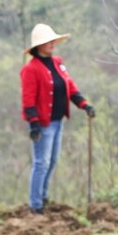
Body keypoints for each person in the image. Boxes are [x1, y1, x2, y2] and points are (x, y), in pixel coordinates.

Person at [19, 23, 96, 215]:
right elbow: (28, 99)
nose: (52, 43)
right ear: (39, 45)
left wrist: (84, 104)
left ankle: (43, 196)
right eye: (48, 41)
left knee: (52, 161)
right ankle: (35, 205)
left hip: (58, 121)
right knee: (41, 162)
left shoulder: (58, 63)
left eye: (53, 40)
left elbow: (69, 86)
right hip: (44, 123)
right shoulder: (31, 69)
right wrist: (34, 124)